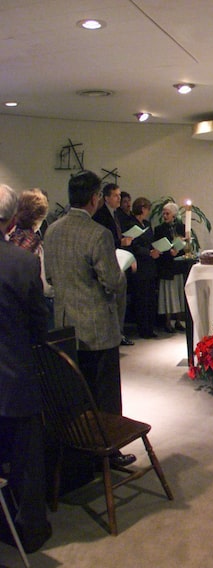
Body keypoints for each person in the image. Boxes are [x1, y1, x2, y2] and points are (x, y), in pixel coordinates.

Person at [43, 170, 135, 468]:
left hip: (65, 327)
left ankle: (80, 454)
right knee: (105, 394)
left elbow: (50, 277)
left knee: (77, 394)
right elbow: (112, 281)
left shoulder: (52, 230)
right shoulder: (98, 233)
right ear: (95, 199)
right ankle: (108, 453)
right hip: (97, 326)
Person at [0, 183, 52, 553]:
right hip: (14, 377)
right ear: (12, 219)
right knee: (26, 460)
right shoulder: (21, 262)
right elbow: (39, 325)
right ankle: (28, 531)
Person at [93, 182, 134, 346]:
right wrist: (121, 241)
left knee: (120, 300)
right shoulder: (101, 215)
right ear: (107, 197)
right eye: (116, 195)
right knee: (114, 300)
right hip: (109, 261)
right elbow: (104, 240)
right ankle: (116, 333)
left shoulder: (115, 214)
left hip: (119, 260)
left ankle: (119, 332)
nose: (119, 198)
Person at [7, 187, 55, 328]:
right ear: (39, 217)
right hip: (33, 304)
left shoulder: (11, 237)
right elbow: (45, 287)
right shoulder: (35, 244)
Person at [125, 197, 160, 338]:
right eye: (147, 209)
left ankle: (150, 327)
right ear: (142, 208)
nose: (148, 212)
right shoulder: (130, 223)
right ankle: (143, 328)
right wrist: (149, 252)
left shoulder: (146, 223)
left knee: (150, 297)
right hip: (139, 264)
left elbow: (150, 241)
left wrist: (156, 250)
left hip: (150, 264)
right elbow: (133, 246)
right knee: (141, 298)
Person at [154, 201, 187, 333]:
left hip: (178, 265)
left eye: (167, 213)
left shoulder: (181, 227)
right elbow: (157, 246)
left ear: (174, 215)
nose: (165, 216)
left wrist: (178, 250)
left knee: (179, 293)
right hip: (166, 265)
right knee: (168, 295)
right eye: (163, 214)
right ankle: (168, 321)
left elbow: (186, 245)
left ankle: (178, 320)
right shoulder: (159, 229)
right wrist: (169, 251)